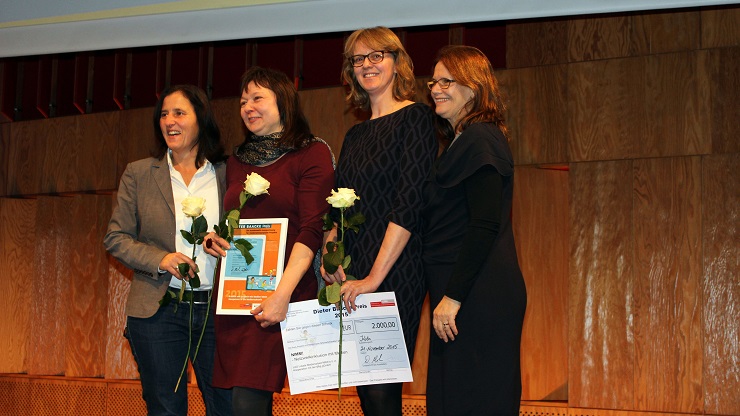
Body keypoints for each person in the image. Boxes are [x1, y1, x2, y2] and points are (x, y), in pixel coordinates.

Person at [202, 66, 334, 416]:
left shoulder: (311, 152)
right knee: (233, 404)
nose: (247, 106)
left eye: (257, 97)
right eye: (244, 100)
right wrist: (217, 241)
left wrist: (282, 295)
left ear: (283, 101)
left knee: (248, 401)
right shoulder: (236, 161)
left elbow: (312, 230)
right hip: (235, 297)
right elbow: (239, 225)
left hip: (281, 296)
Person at [321, 26, 437, 416]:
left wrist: (374, 279)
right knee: (366, 392)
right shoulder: (354, 135)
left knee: (382, 390)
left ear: (396, 62)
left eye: (377, 56)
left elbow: (408, 205)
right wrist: (331, 257)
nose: (367, 65)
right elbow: (337, 209)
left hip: (395, 269)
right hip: (353, 273)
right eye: (358, 59)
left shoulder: (417, 118)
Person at [104, 85, 232, 415]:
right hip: (159, 311)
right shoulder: (140, 173)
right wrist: (161, 259)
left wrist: (227, 241)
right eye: (163, 114)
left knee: (226, 406)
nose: (169, 121)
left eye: (179, 113)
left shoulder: (228, 173)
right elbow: (116, 237)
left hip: (217, 312)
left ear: (201, 120)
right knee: (165, 408)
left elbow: (252, 232)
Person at [423, 45, 527, 416]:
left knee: (476, 400)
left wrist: (452, 297)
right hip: (460, 295)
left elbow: (484, 225)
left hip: (477, 295)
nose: (436, 88)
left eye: (447, 80)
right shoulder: (458, 142)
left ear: (474, 86)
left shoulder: (481, 138)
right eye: (433, 80)